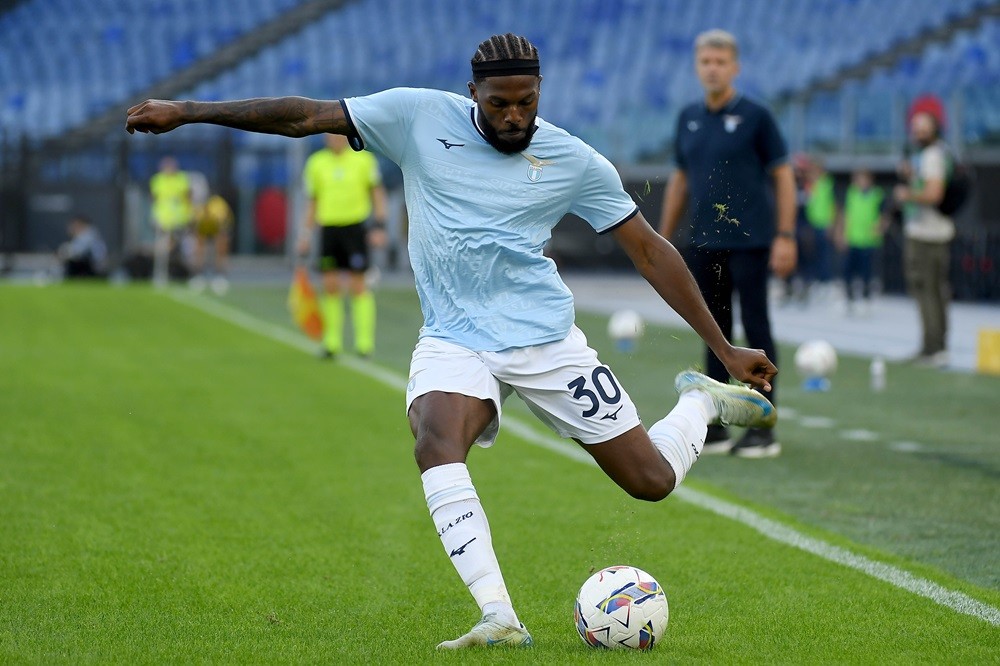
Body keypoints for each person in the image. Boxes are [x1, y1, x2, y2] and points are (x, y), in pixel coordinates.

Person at [126, 32, 779, 650]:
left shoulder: (572, 159)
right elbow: (303, 115)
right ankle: (498, 614)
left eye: (528, 102)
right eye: (500, 104)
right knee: (435, 439)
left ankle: (698, 403)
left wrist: (723, 351)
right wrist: (188, 111)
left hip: (546, 341)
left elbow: (650, 251)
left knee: (652, 482)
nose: (515, 116)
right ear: (472, 93)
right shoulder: (416, 116)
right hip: (455, 338)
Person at [658, 29, 796, 458]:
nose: (712, 68)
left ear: (734, 67)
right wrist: (662, 237)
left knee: (756, 328)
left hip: (751, 240)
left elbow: (784, 175)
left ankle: (762, 426)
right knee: (713, 331)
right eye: (705, 61)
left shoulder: (756, 116)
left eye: (720, 61)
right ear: (697, 66)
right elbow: (680, 178)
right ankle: (715, 423)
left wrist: (786, 235)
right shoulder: (688, 117)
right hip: (703, 241)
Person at [297, 133, 388, 358]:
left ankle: (364, 344)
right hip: (329, 229)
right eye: (330, 134)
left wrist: (379, 225)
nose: (334, 138)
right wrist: (305, 234)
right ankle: (332, 342)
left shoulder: (364, 161)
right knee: (330, 285)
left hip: (355, 228)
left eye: (338, 133)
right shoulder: (316, 163)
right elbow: (313, 201)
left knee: (358, 285)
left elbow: (377, 193)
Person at [894, 96, 954, 368]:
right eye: (914, 126)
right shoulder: (934, 153)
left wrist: (907, 193)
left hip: (926, 235)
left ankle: (933, 349)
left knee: (926, 291)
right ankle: (936, 346)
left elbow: (933, 193)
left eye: (922, 126)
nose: (917, 131)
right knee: (935, 292)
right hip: (934, 232)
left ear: (934, 127)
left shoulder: (932, 155)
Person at [836, 168, 886, 315]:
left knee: (867, 272)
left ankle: (865, 300)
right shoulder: (851, 194)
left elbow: (884, 215)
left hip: (869, 240)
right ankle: (849, 299)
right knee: (848, 270)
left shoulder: (877, 195)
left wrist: (880, 228)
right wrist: (841, 233)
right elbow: (844, 214)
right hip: (853, 238)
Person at [149, 156, 193, 284]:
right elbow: (154, 198)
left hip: (180, 220)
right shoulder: (157, 179)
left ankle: (186, 274)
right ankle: (160, 275)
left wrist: (189, 215)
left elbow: (188, 197)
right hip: (163, 220)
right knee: (162, 250)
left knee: (184, 249)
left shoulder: (182, 179)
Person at [803, 157, 838, 300]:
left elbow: (832, 205)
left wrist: (831, 224)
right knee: (813, 254)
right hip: (813, 224)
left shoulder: (828, 184)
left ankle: (826, 282)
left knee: (824, 255)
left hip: (824, 224)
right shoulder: (810, 186)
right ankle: (816, 281)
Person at [190, 189, 234, 295]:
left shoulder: (218, 204)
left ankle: (220, 275)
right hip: (204, 228)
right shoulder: (198, 206)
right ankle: (198, 274)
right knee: (199, 245)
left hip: (218, 228)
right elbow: (196, 224)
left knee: (221, 244)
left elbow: (223, 224)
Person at [58, 214, 107, 279]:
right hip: (92, 265)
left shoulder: (88, 235)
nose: (71, 228)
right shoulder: (90, 234)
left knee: (71, 262)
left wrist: (63, 252)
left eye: (74, 225)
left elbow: (77, 252)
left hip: (92, 267)